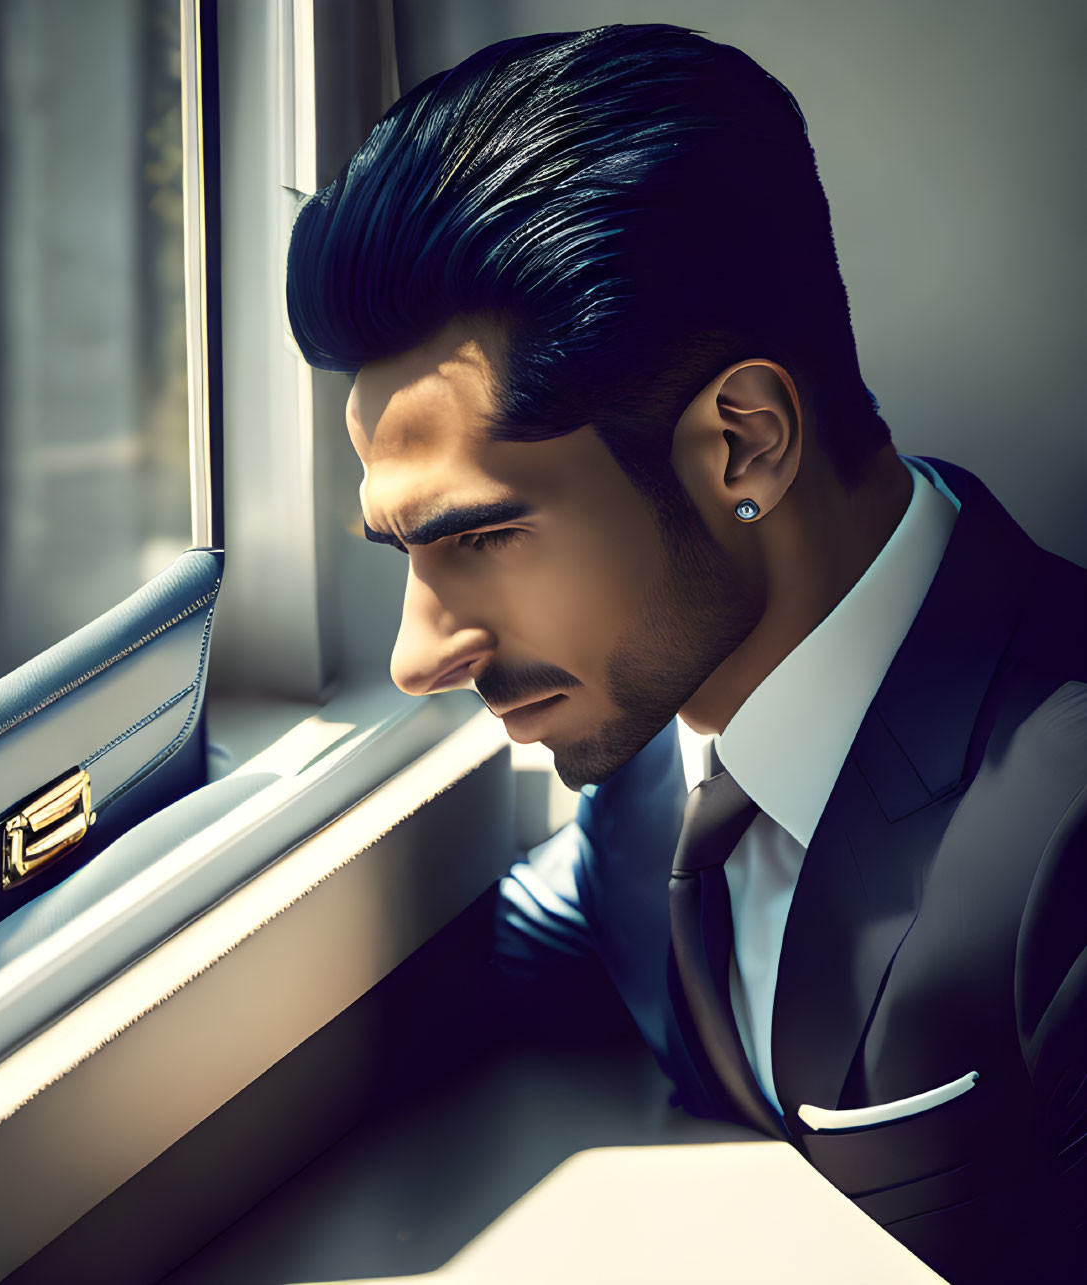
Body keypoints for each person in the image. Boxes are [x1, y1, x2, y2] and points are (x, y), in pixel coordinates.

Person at [283, 23, 1086, 1283]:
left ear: (744, 443)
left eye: (485, 536)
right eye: (406, 553)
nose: (416, 655)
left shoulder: (1068, 832)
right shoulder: (656, 780)